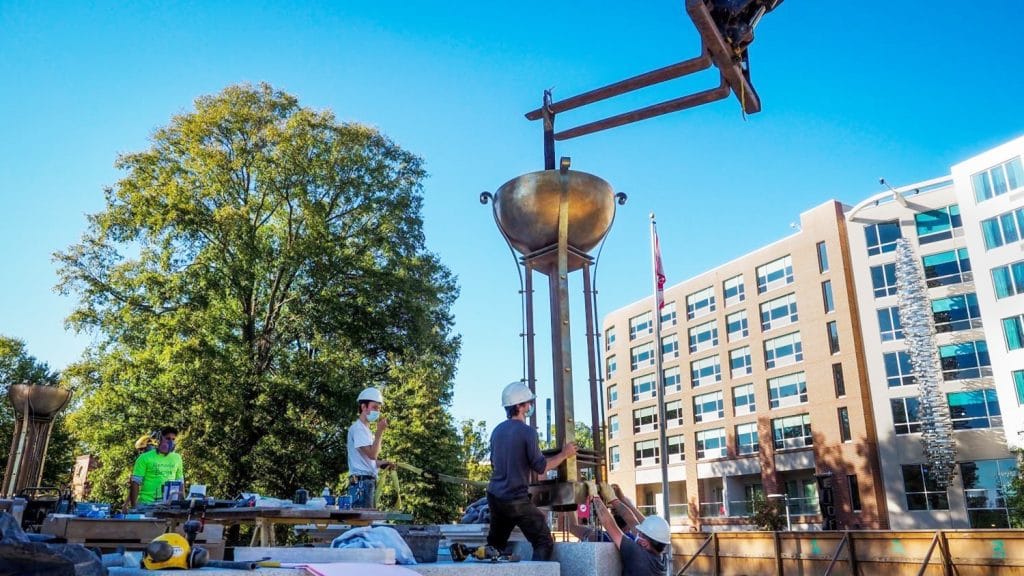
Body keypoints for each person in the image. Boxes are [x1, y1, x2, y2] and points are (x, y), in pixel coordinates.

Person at [487, 381, 577, 562]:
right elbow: (541, 466)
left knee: (495, 546)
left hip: (495, 497)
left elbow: (493, 463)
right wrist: (564, 454)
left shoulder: (497, 431)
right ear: (519, 406)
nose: (530, 406)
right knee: (543, 541)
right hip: (515, 499)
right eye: (528, 403)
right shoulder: (527, 432)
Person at [592, 492, 670, 576]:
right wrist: (614, 499)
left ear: (644, 543)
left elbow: (609, 524)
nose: (637, 533)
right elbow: (630, 519)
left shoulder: (638, 555)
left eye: (640, 533)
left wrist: (595, 497)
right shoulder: (659, 559)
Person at [346, 387, 394, 509]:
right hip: (361, 484)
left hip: (365, 483)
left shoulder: (365, 430)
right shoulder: (358, 429)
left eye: (378, 408)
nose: (377, 411)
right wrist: (379, 432)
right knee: (363, 525)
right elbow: (372, 454)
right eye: (374, 407)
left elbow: (368, 460)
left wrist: (383, 463)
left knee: (366, 524)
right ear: (363, 407)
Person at [129, 426, 184, 508]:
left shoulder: (177, 458)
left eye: (173, 439)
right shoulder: (144, 458)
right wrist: (134, 506)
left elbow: (180, 482)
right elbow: (135, 482)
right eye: (168, 439)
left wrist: (182, 503)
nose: (171, 442)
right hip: (147, 504)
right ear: (159, 439)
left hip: (169, 505)